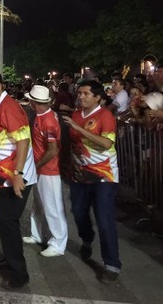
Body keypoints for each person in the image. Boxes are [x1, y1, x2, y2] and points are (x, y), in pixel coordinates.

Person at [0, 69, 37, 289]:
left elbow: (22, 141)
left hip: (13, 177)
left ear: (0, 86)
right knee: (4, 221)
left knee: (9, 222)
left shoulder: (9, 107)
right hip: (3, 176)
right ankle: (10, 261)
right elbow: (3, 134)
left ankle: (19, 274)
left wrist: (18, 174)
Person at [62, 80, 121, 283]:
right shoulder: (77, 114)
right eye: (79, 93)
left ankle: (112, 265)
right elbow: (72, 143)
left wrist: (79, 128)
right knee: (78, 212)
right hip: (80, 174)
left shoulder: (105, 115)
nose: (81, 96)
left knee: (104, 218)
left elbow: (106, 143)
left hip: (105, 175)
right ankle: (87, 238)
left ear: (98, 97)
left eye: (86, 93)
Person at [22, 85, 68, 257]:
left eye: (30, 101)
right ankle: (38, 234)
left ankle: (58, 243)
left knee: (52, 207)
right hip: (41, 168)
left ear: (34, 102)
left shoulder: (48, 121)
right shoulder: (42, 116)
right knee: (39, 204)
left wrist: (37, 165)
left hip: (48, 170)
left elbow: (52, 150)